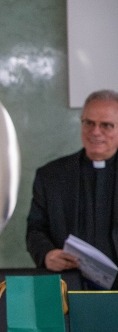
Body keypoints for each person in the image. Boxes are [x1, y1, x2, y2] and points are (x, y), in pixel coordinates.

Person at [27, 89, 118, 290]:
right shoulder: (51, 175)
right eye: (89, 123)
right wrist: (48, 254)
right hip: (67, 290)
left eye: (106, 125)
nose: (95, 132)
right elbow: (35, 229)